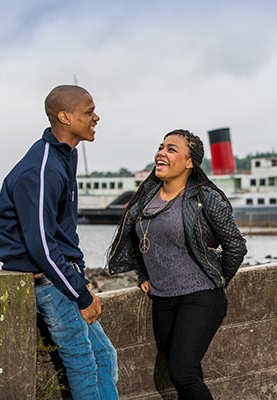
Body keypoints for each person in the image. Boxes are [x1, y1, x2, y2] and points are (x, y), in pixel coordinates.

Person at [0, 85, 119, 400]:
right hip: (49, 279)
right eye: (88, 112)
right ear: (64, 116)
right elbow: (42, 246)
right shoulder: (42, 168)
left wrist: (82, 278)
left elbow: (64, 231)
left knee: (104, 356)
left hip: (64, 274)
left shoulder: (65, 156)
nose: (96, 117)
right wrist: (80, 293)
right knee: (83, 363)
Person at [107, 129, 247, 399]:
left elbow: (236, 246)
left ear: (189, 162)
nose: (161, 153)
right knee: (188, 374)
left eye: (171, 149)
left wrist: (215, 280)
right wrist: (143, 274)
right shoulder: (146, 197)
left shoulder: (205, 198)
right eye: (161, 147)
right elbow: (138, 242)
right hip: (163, 298)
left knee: (182, 373)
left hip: (200, 298)